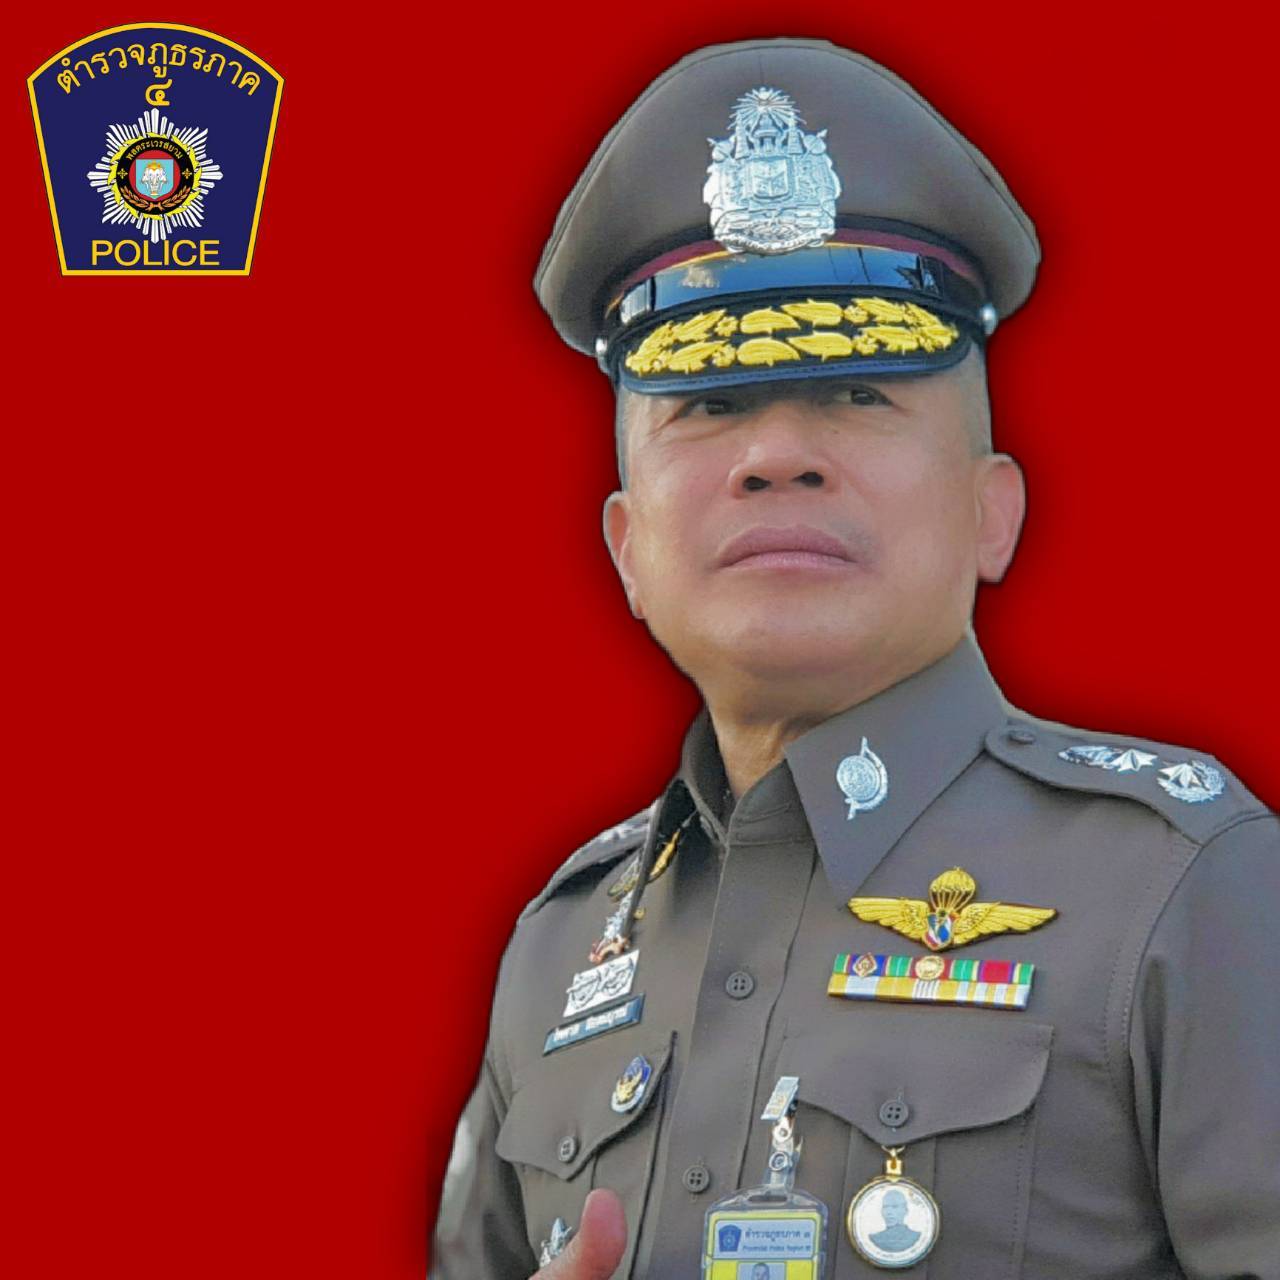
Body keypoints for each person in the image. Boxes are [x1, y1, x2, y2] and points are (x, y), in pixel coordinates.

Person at [430, 37, 1279, 1280]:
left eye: (857, 393)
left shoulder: (1187, 887)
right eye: (709, 406)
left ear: (991, 513)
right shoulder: (559, 950)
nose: (776, 455)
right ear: (626, 547)